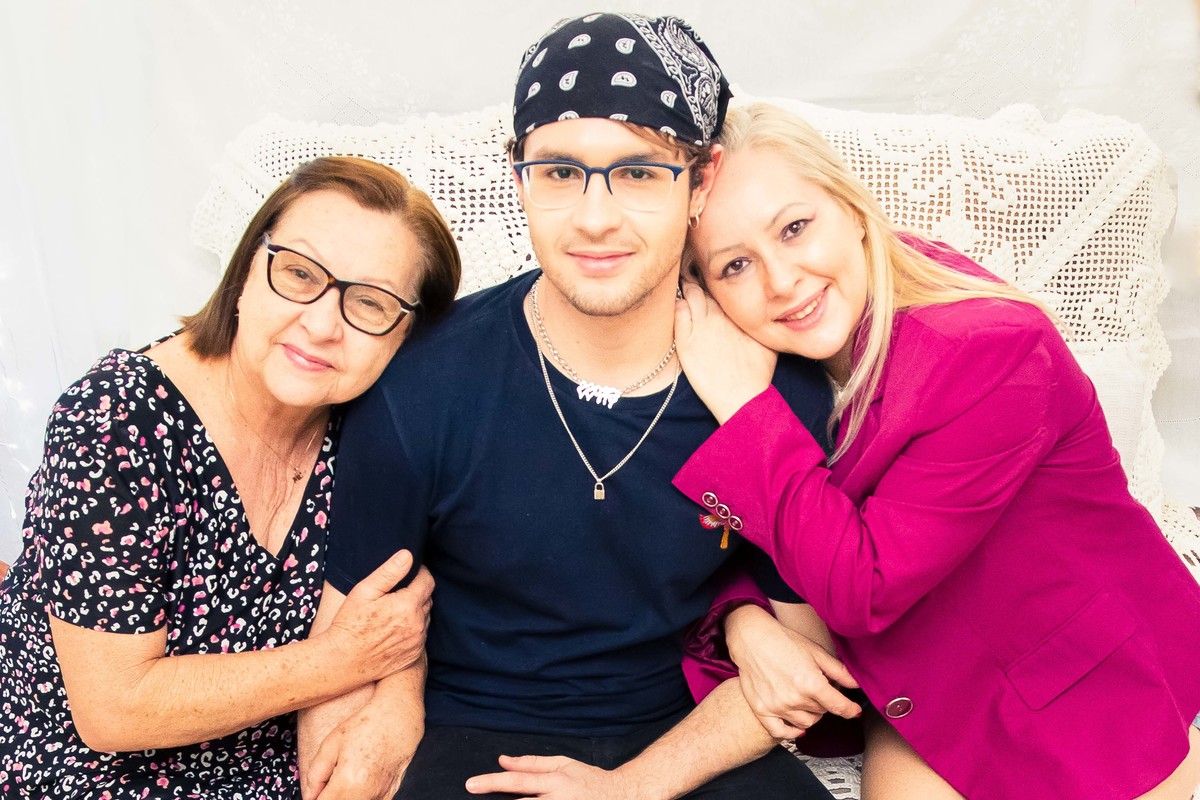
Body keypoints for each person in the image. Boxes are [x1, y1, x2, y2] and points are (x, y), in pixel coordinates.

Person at [297, 13, 850, 800]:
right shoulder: (421, 385)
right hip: (477, 743)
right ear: (519, 176)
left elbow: (805, 661)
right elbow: (346, 641)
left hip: (693, 736)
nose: (595, 219)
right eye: (559, 172)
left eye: (639, 173)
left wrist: (641, 778)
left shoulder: (771, 392)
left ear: (701, 181)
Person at [670, 102, 1200, 799]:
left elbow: (861, 587)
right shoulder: (781, 362)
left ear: (853, 210)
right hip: (932, 679)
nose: (781, 281)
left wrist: (746, 412)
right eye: (735, 265)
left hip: (1080, 682)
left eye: (795, 228)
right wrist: (746, 623)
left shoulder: (986, 353)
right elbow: (762, 537)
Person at [0, 155, 461, 798]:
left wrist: (398, 698)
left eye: (370, 303)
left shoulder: (378, 428)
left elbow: (399, 609)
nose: (321, 325)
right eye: (299, 273)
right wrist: (338, 660)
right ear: (247, 270)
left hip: (265, 773)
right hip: (87, 771)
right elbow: (113, 710)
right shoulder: (115, 419)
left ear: (408, 337)